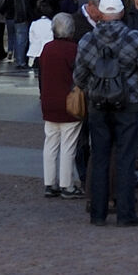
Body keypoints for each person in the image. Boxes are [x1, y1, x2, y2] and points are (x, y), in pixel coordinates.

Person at [71, 0, 138, 226]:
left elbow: (79, 75)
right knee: (126, 158)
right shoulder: (134, 38)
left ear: (101, 13)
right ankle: (126, 213)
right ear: (121, 12)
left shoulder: (88, 40)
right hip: (128, 104)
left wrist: (93, 89)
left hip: (98, 104)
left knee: (99, 157)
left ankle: (98, 213)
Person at [37, 10, 83, 198]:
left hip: (49, 102)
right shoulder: (74, 49)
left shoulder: (47, 48)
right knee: (68, 145)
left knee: (51, 143)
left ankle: (50, 183)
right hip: (68, 103)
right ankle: (67, 185)